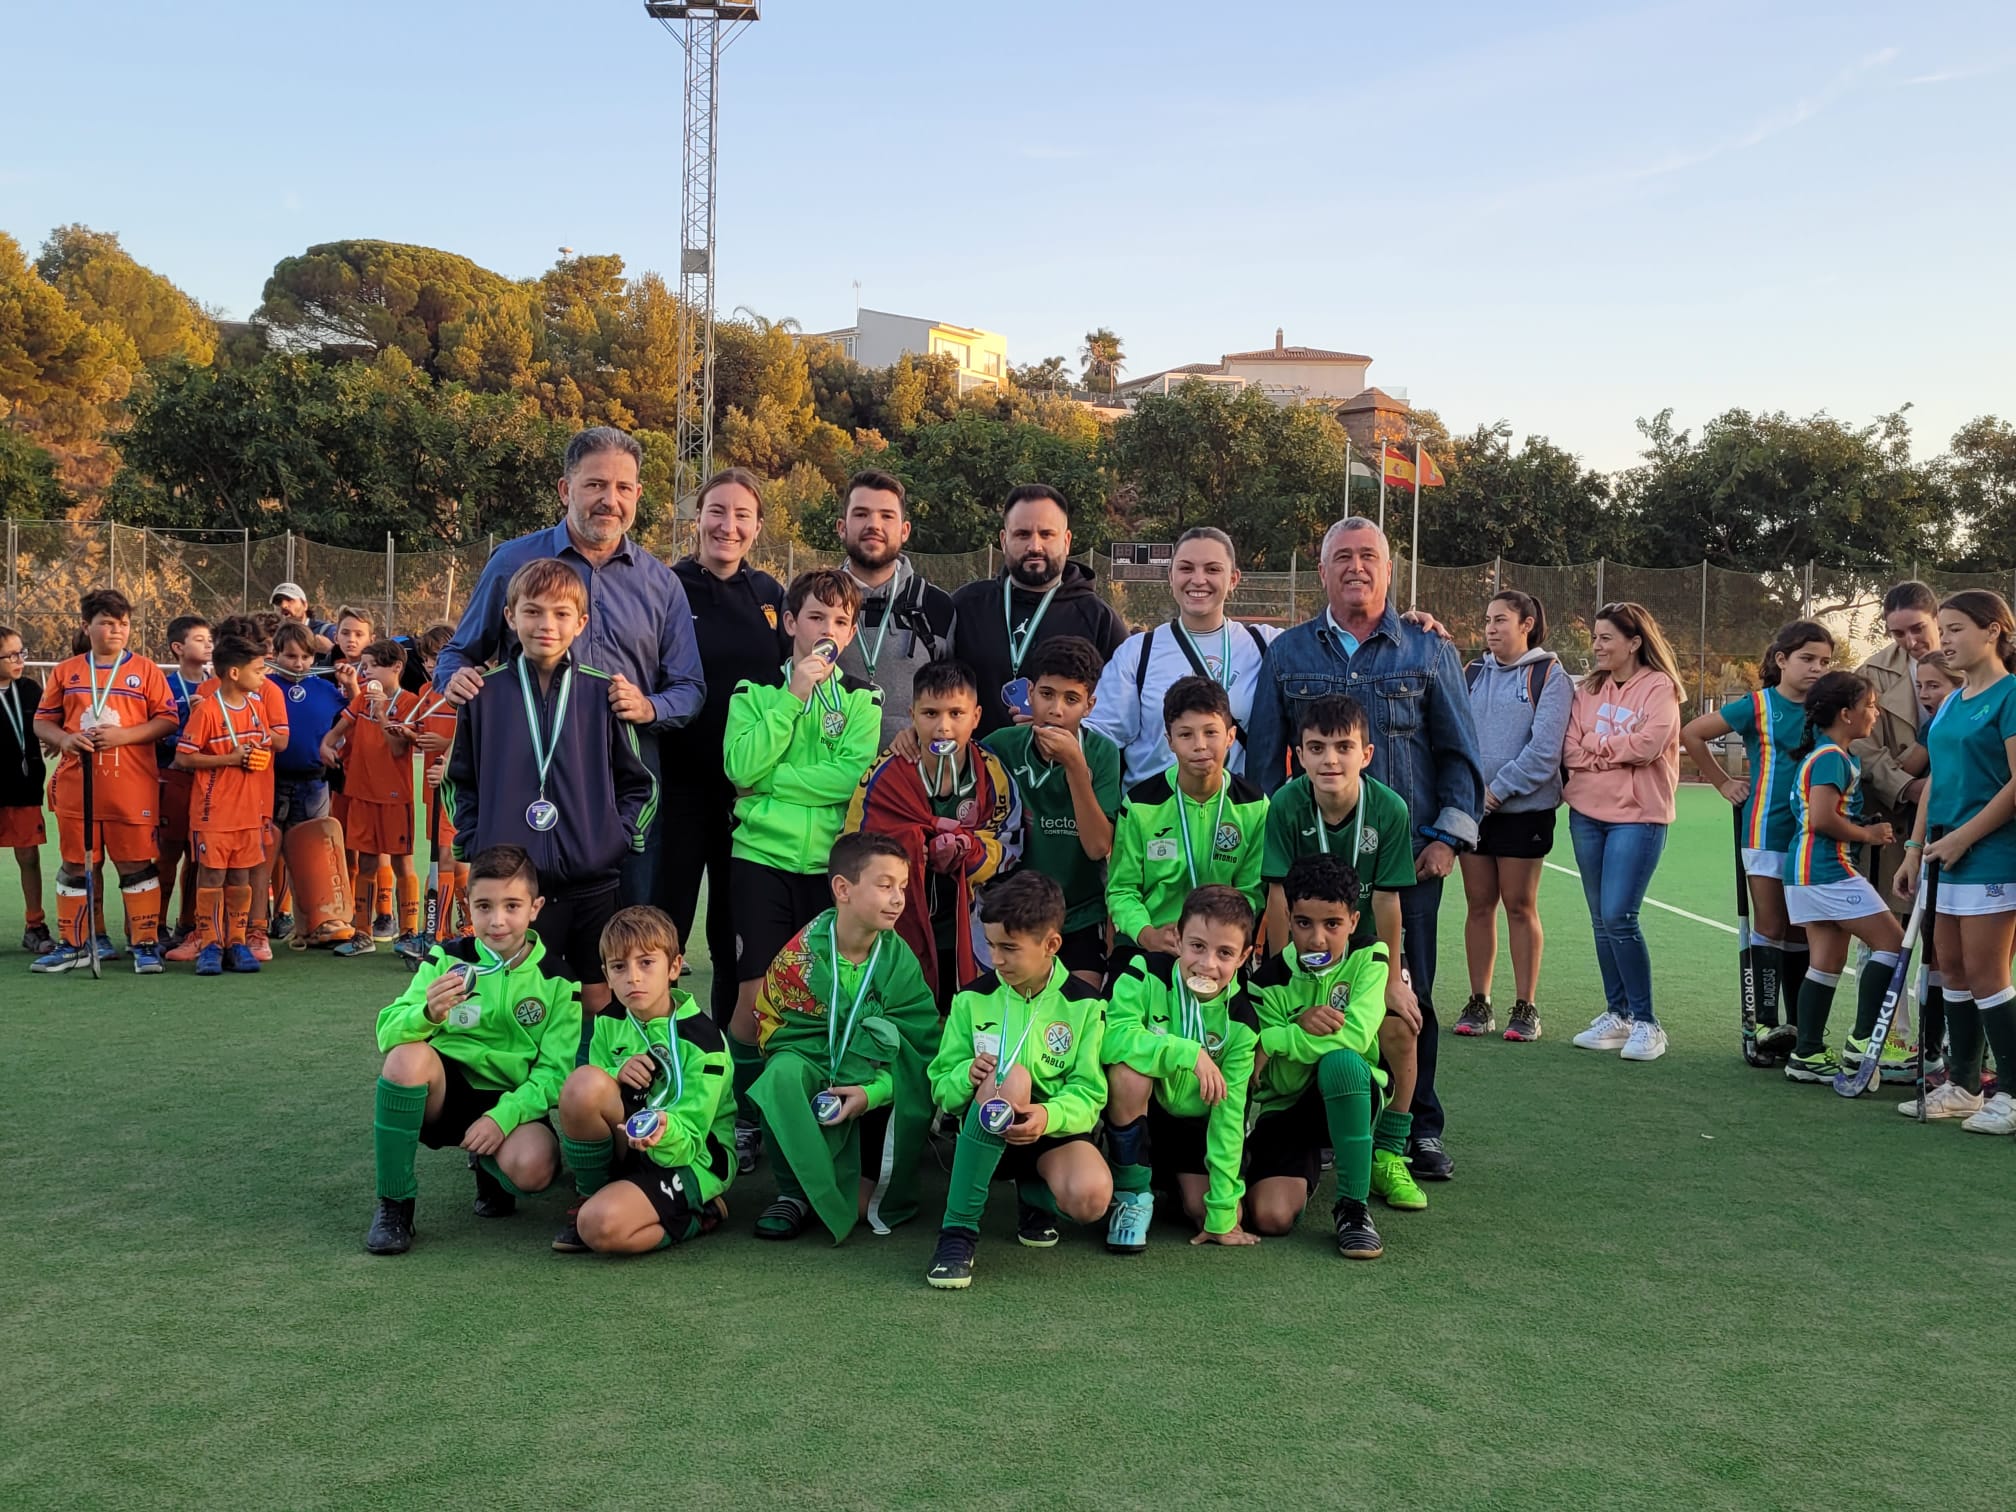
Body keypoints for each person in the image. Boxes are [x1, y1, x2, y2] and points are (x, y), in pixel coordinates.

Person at [1243, 516, 1482, 1181]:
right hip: (1309, 882)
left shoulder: (1429, 650)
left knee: (1408, 996)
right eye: (1340, 557)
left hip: (1400, 866)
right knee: (1304, 998)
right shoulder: (1287, 654)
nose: (1355, 566)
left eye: (1368, 555)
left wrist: (1448, 839)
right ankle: (1324, 1123)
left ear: (1389, 569)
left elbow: (1461, 754)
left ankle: (1416, 1130)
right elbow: (1265, 762)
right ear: (1321, 572)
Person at [435, 425, 705, 908]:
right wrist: (453, 678)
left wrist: (648, 706)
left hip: (616, 797)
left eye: (623, 487)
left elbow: (689, 687)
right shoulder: (512, 562)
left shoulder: (661, 583)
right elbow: (459, 653)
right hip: (521, 789)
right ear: (566, 489)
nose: (610, 500)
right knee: (522, 952)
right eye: (595, 485)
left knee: (620, 952)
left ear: (638, 494)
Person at [441, 558, 657, 1019]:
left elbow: (638, 780)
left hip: (592, 875)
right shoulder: (483, 694)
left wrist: (616, 837)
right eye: (533, 612)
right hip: (514, 881)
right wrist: (478, 842)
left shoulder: (605, 693)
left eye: (561, 614)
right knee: (523, 988)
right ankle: (527, 1085)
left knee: (596, 990)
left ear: (580, 623)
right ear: (510, 617)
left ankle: (586, 1086)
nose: (546, 625)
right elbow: (460, 779)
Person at [721, 568, 883, 1172]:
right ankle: (743, 1118)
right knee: (754, 999)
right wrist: (792, 698)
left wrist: (771, 783)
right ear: (791, 623)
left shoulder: (865, 699)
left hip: (828, 871)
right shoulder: (753, 691)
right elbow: (740, 766)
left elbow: (847, 778)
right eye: (816, 617)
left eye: (841, 621)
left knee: (815, 999)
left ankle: (804, 1115)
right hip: (760, 859)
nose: (828, 630)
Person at [364, 844, 580, 1256]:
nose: (497, 920)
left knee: (535, 1169)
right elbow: (387, 1032)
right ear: (467, 907)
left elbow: (554, 1074)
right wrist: (428, 1013)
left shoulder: (558, 978)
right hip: (446, 1090)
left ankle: (490, 1168)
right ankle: (395, 1205)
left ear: (534, 908)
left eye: (512, 905)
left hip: (511, 1101)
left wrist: (503, 1118)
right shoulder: (446, 958)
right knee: (405, 1060)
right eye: (484, 906)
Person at [1254, 693, 1421, 1205]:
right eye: (1317, 747)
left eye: (1343, 747)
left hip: (1366, 953)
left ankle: (1389, 1152)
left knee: (1402, 1026)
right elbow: (1278, 895)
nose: (1330, 759)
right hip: (1300, 947)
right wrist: (1290, 973)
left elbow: (1390, 901)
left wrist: (1393, 977)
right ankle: (1290, 1128)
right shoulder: (1286, 803)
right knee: (1280, 1027)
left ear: (1365, 755)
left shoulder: (1389, 809)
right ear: (1299, 755)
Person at [745, 832, 939, 1243]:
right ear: (842, 889)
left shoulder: (899, 958)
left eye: (902, 886)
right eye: (885, 885)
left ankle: (860, 1182)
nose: (898, 898)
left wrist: (877, 1089)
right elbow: (775, 1028)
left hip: (873, 1088)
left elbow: (920, 1042)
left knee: (860, 1209)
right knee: (781, 1074)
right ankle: (793, 1194)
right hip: (815, 1069)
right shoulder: (799, 955)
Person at [923, 871, 1110, 1290]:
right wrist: (963, 1077)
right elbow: (940, 1081)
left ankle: (1035, 1194)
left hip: (1047, 1133)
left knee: (1092, 1197)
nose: (997, 959)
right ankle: (958, 1233)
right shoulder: (971, 999)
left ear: (1051, 945)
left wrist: (1047, 1115)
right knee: (1013, 1077)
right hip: (983, 1127)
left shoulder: (1084, 1004)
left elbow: (1090, 1092)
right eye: (990, 946)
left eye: (1009, 948)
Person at [662, 466, 789, 1024]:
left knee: (733, 939)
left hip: (748, 797)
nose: (728, 526)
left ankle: (723, 1063)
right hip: (676, 790)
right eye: (717, 511)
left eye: (742, 515)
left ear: (758, 526)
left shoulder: (769, 595)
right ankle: (652, 1060)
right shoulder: (666, 585)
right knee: (663, 928)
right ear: (698, 517)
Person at [1680, 619, 1835, 1061]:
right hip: (1767, 831)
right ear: (1782, 660)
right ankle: (1765, 1025)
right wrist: (1724, 783)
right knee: (1771, 926)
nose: (1817, 669)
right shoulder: (1759, 705)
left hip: (1814, 835)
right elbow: (1692, 733)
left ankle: (1801, 1027)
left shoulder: (1827, 707)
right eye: (1807, 659)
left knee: (1805, 928)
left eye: (1825, 661)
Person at [550, 905, 734, 1255]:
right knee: (582, 1083)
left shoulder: (704, 1043)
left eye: (646, 963)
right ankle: (589, 1194)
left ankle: (701, 1214)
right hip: (631, 1144)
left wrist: (664, 1130)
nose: (633, 977)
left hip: (688, 1156)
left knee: (600, 1227)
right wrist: (615, 1074)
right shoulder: (609, 1021)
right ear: (606, 974)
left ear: (674, 967)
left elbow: (691, 1139)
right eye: (619, 966)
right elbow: (595, 1092)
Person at [1898, 590, 2016, 1134]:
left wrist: (1963, 838)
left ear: (1993, 631)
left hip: (1992, 852)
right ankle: (1965, 1087)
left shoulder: (2011, 694)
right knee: (1950, 967)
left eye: (1955, 629)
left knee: (1988, 973)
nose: (1943, 640)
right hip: (1943, 852)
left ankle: (2011, 1094)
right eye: (1941, 630)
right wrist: (1916, 847)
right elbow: (1935, 783)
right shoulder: (1951, 700)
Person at [845, 660, 1022, 1010]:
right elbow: (854, 850)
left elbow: (1009, 843)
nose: (943, 727)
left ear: (977, 716)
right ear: (912, 714)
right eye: (930, 713)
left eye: (956, 713)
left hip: (971, 927)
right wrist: (914, 854)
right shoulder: (885, 775)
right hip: (897, 924)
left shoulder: (992, 775)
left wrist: (964, 850)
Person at [1245, 857, 1396, 1259]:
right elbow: (1272, 1082)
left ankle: (1353, 1208)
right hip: (1292, 1109)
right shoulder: (1267, 983)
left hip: (1356, 1092)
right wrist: (1299, 1023)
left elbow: (1357, 1035)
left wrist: (1279, 1037)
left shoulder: (1370, 956)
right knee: (1270, 1218)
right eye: (1303, 923)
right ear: (1288, 918)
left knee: (1343, 1062)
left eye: (1332, 924)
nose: (1316, 939)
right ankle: (1309, 1166)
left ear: (1353, 920)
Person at [1100, 885, 1261, 1253]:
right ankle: (1132, 1195)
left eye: (1225, 953)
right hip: (1147, 1112)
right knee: (1128, 1072)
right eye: (1197, 946)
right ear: (1177, 938)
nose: (1207, 964)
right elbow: (1112, 1038)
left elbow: (1230, 1117)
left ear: (1244, 957)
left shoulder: (1242, 1023)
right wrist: (1187, 1052)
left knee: (1211, 1212)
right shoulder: (1144, 970)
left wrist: (1221, 1212)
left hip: (1195, 1130)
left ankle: (1170, 1184)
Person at [30, 589, 179, 975]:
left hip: (131, 788)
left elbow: (168, 720)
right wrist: (64, 739)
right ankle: (76, 944)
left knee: (135, 865)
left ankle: (145, 945)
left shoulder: (147, 670)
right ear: (87, 626)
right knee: (77, 866)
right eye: (107, 623)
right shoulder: (67, 671)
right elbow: (42, 720)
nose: (116, 630)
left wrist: (122, 735)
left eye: (123, 624)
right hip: (78, 788)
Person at [1564, 602, 1685, 1063]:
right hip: (1586, 814)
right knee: (1600, 919)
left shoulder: (1660, 688)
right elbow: (1570, 749)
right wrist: (1612, 752)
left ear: (1634, 642)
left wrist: (1597, 749)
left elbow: (1650, 744)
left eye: (1606, 638)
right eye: (1595, 638)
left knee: (1620, 916)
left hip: (1638, 816)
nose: (1596, 646)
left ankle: (1647, 1023)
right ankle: (1617, 1015)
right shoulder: (1587, 689)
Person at [1456, 590, 1572, 1042]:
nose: (1490, 628)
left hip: (1523, 811)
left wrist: (1495, 793)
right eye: (1487, 619)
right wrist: (1470, 794)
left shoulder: (1549, 676)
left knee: (1520, 906)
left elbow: (1544, 753)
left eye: (1501, 620)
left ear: (1527, 625)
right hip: (1473, 811)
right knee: (1478, 904)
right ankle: (1478, 1001)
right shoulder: (1471, 674)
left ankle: (1525, 1006)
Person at [1780, 671, 1907, 1083]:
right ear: (1846, 713)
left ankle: (1807, 1054)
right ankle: (1864, 1042)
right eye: (1869, 705)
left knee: (1827, 961)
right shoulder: (1831, 757)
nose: (1876, 712)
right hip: (1826, 869)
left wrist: (1859, 823)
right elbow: (1821, 818)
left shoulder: (1831, 754)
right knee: (1892, 944)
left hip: (1806, 871)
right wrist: (1867, 833)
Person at [981, 635, 1122, 985]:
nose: (1056, 709)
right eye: (1047, 694)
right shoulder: (1000, 745)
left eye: (1071, 699)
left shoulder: (1103, 753)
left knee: (1082, 1006)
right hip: (1011, 913)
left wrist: (1075, 766)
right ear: (1029, 693)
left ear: (1089, 706)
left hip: (1077, 915)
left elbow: (1098, 847)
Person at [1089, 526, 1277, 786]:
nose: (1198, 579)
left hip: (1235, 816)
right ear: (1171, 576)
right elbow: (1100, 737)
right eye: (1186, 568)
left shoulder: (1266, 645)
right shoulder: (1138, 652)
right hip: (1155, 816)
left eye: (1212, 569)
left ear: (1233, 579)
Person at [946, 485, 1127, 739]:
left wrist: (1065, 725)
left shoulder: (1099, 619)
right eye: (1022, 534)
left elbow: (1120, 713)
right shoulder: (966, 605)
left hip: (1057, 773)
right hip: (976, 771)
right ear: (1003, 540)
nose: (1035, 545)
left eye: (1046, 534)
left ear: (1066, 541)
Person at [1107, 675, 1268, 959]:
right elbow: (1121, 890)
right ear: (1169, 741)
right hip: (1151, 946)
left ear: (1230, 736)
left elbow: (1251, 893)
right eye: (1185, 735)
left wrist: (1218, 940)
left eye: (1211, 732)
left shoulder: (1254, 806)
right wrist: (1147, 934)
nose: (1199, 745)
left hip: (1219, 951)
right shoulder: (1141, 804)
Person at [171, 634, 278, 976]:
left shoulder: (256, 706)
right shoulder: (207, 710)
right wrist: (230, 758)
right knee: (213, 874)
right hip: (213, 812)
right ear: (234, 672)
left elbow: (263, 747)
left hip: (248, 811)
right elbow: (183, 758)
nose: (263, 676)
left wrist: (258, 757)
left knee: (240, 875)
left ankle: (236, 941)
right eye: (258, 670)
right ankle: (209, 943)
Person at [832, 468, 956, 749]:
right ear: (842, 527)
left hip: (910, 782)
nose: (874, 524)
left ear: (904, 530)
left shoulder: (937, 607)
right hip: (827, 783)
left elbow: (953, 702)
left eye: (886, 516)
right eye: (861, 514)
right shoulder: (811, 603)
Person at [318, 639, 421, 957]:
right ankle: (362, 933)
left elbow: (397, 748)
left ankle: (408, 933)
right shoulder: (360, 700)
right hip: (360, 793)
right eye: (364, 666)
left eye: (373, 666)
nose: (366, 672)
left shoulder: (409, 703)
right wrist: (327, 746)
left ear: (396, 668)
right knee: (365, 863)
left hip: (393, 797)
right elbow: (335, 733)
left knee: (402, 862)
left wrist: (380, 713)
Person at [264, 622, 353, 948]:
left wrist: (351, 687)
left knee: (311, 853)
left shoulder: (326, 689)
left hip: (313, 783)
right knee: (264, 853)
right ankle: (256, 922)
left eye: (306, 656)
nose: (299, 663)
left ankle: (315, 923)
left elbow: (355, 717)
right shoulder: (262, 686)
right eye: (290, 656)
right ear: (275, 655)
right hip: (270, 782)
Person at [154, 615, 212, 950]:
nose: (208, 644)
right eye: (199, 639)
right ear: (178, 647)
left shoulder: (218, 685)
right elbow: (156, 733)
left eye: (209, 639)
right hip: (173, 779)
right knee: (167, 853)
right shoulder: (165, 687)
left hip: (207, 782)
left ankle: (188, 923)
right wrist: (186, 731)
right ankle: (155, 924)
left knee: (199, 855)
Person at [0, 623, 50, 955]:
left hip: (23, 788)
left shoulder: (30, 689)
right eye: (12, 654)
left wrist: (56, 736)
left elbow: (49, 723)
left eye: (22, 652)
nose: (20, 660)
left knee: (28, 856)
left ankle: (35, 925)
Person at [269, 582, 335, 658]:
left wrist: (331, 649)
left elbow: (349, 662)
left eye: (290, 600)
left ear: (305, 605)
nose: (284, 605)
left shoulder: (327, 632)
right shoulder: (271, 636)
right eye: (278, 602)